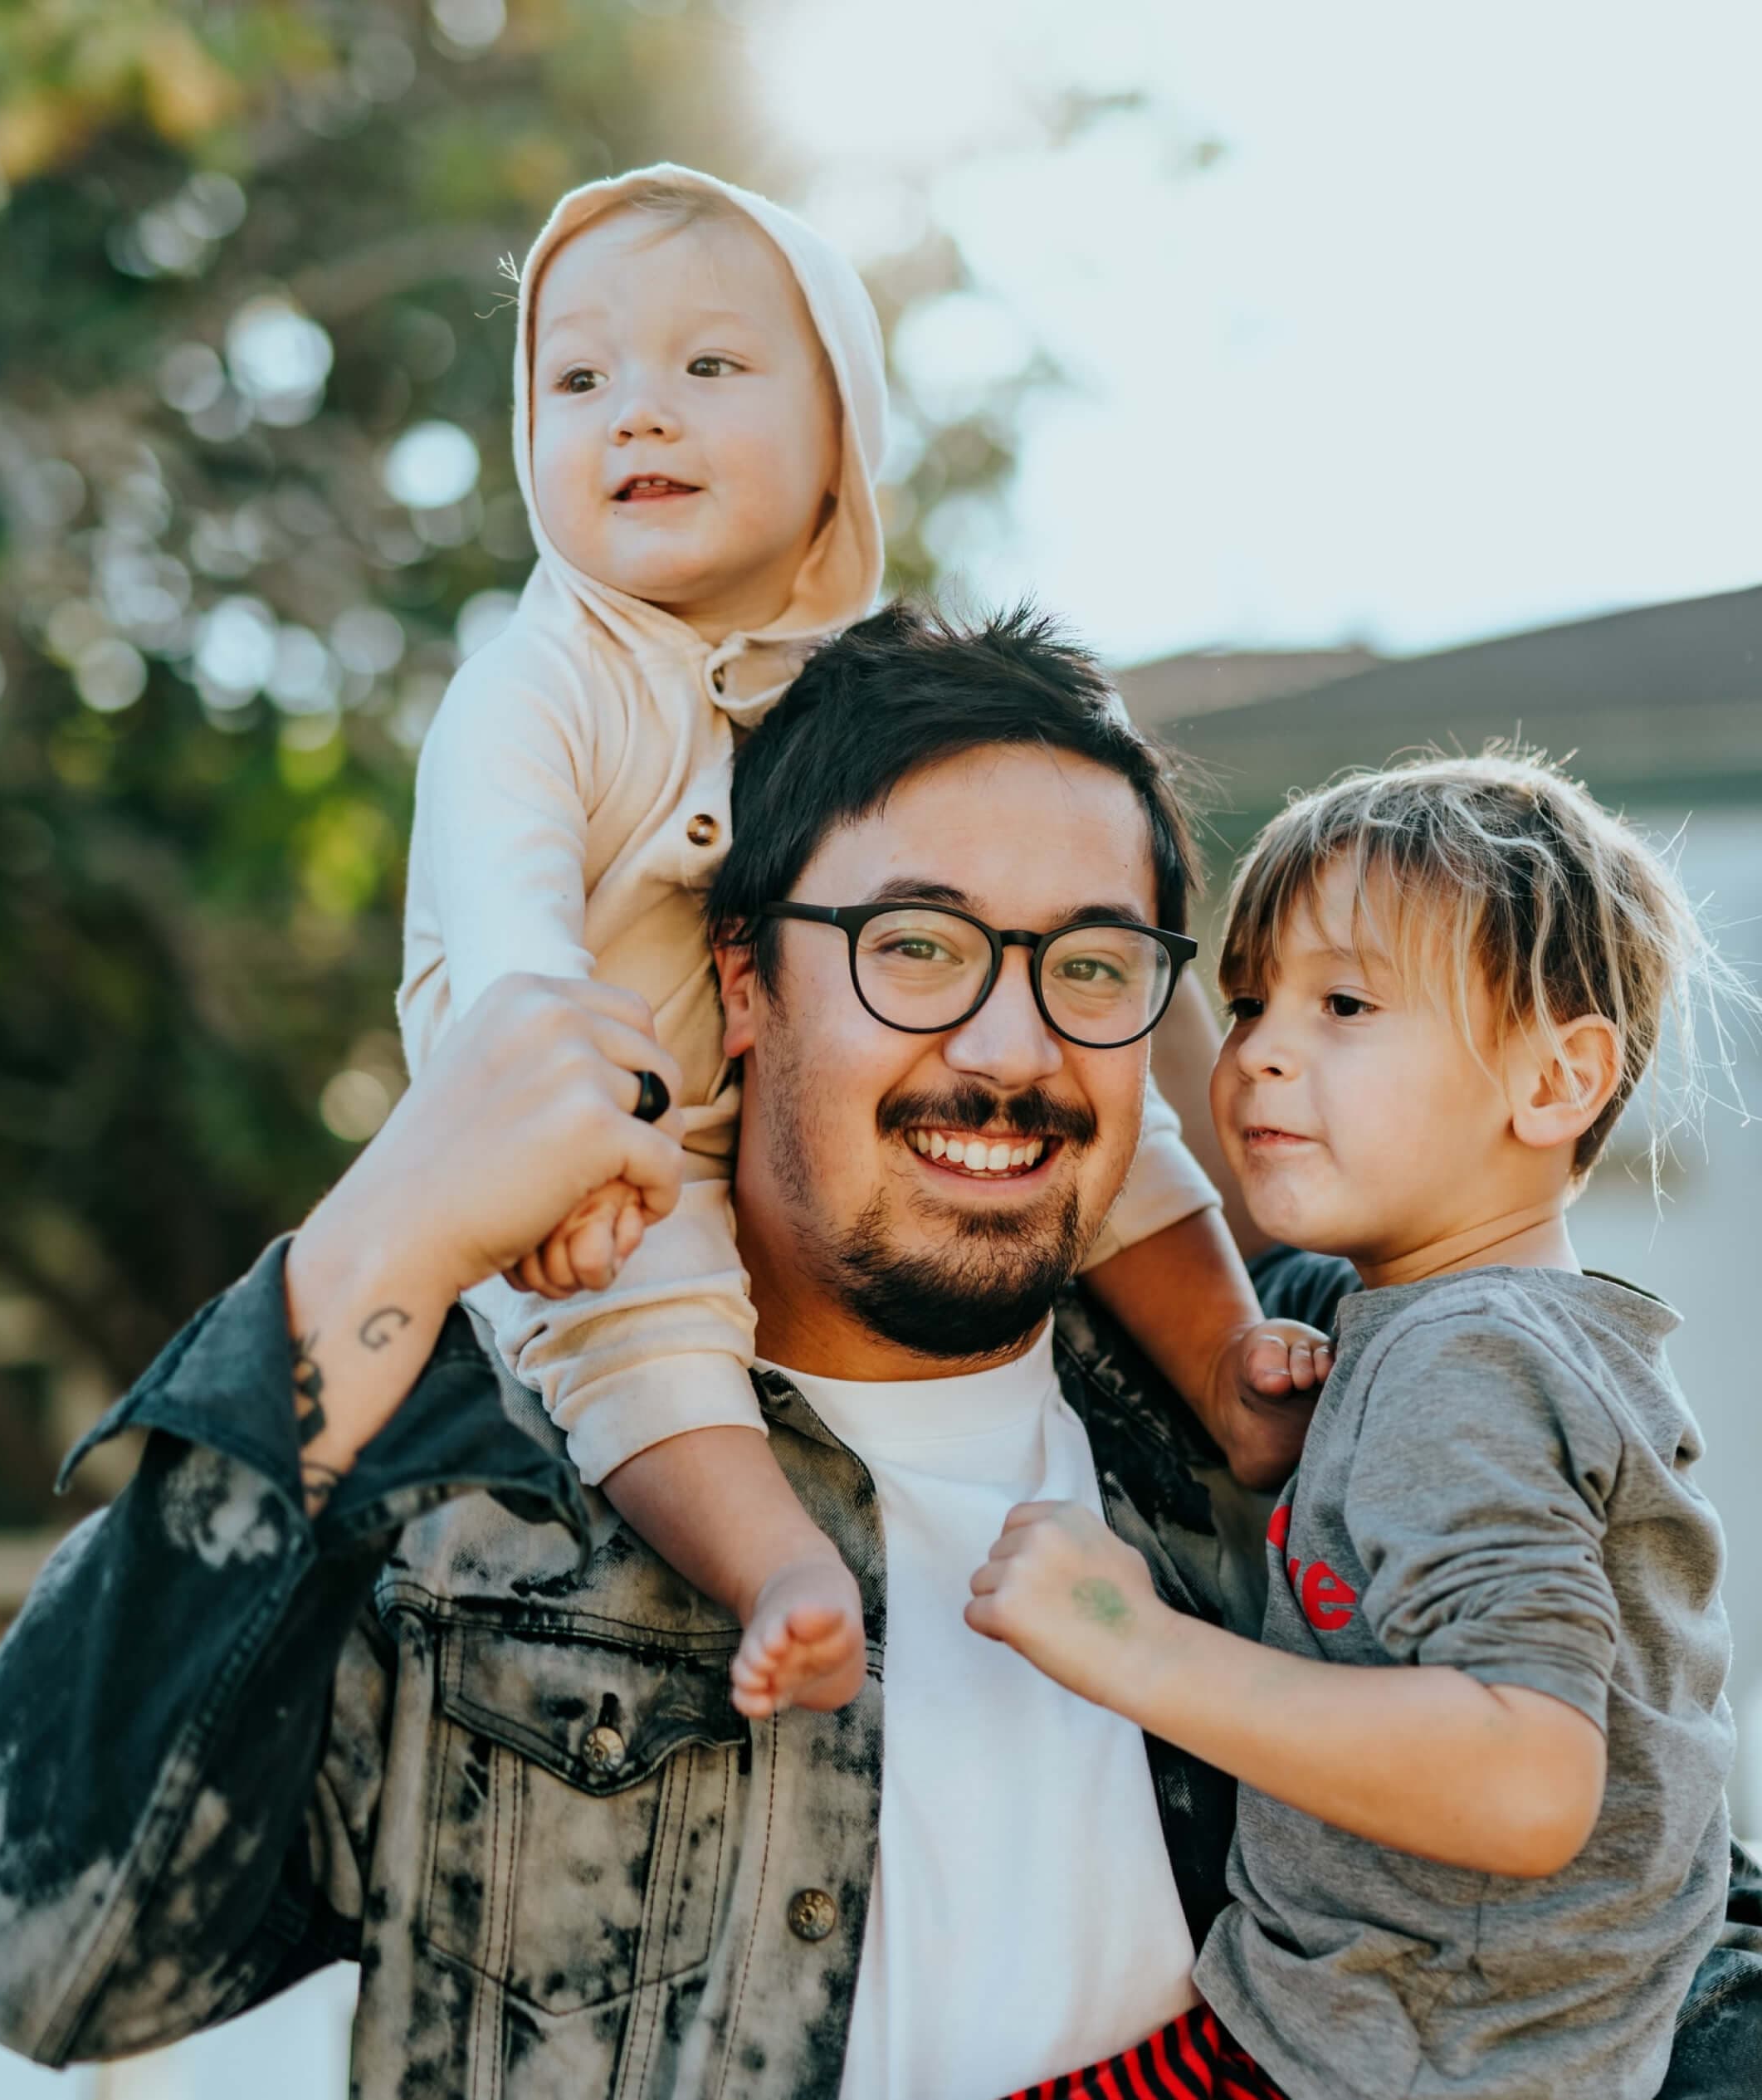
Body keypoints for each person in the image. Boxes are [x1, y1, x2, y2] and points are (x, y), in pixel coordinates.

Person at [0, 608, 1762, 2099]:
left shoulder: (1280, 1403)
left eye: (1089, 964)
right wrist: (380, 1233)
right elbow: (46, 1946)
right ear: (743, 982)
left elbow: (1683, 1910)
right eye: (916, 945)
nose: (1006, 1046)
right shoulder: (473, 1470)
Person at [398, 165, 1324, 1722]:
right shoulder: (536, 687)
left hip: (740, 1119)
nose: (638, 413)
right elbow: (514, 962)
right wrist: (564, 1160)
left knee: (1117, 1118)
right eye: (579, 379)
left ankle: (1230, 1370)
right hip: (598, 1152)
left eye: (708, 367)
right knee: (643, 1331)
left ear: (842, 435)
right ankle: (778, 1566)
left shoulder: (866, 696)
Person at [971, 753, 1762, 2098]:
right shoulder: (1501, 1336)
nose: (1261, 1048)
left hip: (1382, 2055)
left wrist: (1130, 1644)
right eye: (1247, 1000)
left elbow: (1527, 1776)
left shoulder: (1461, 1361)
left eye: (1344, 1000)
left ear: (1557, 1079)